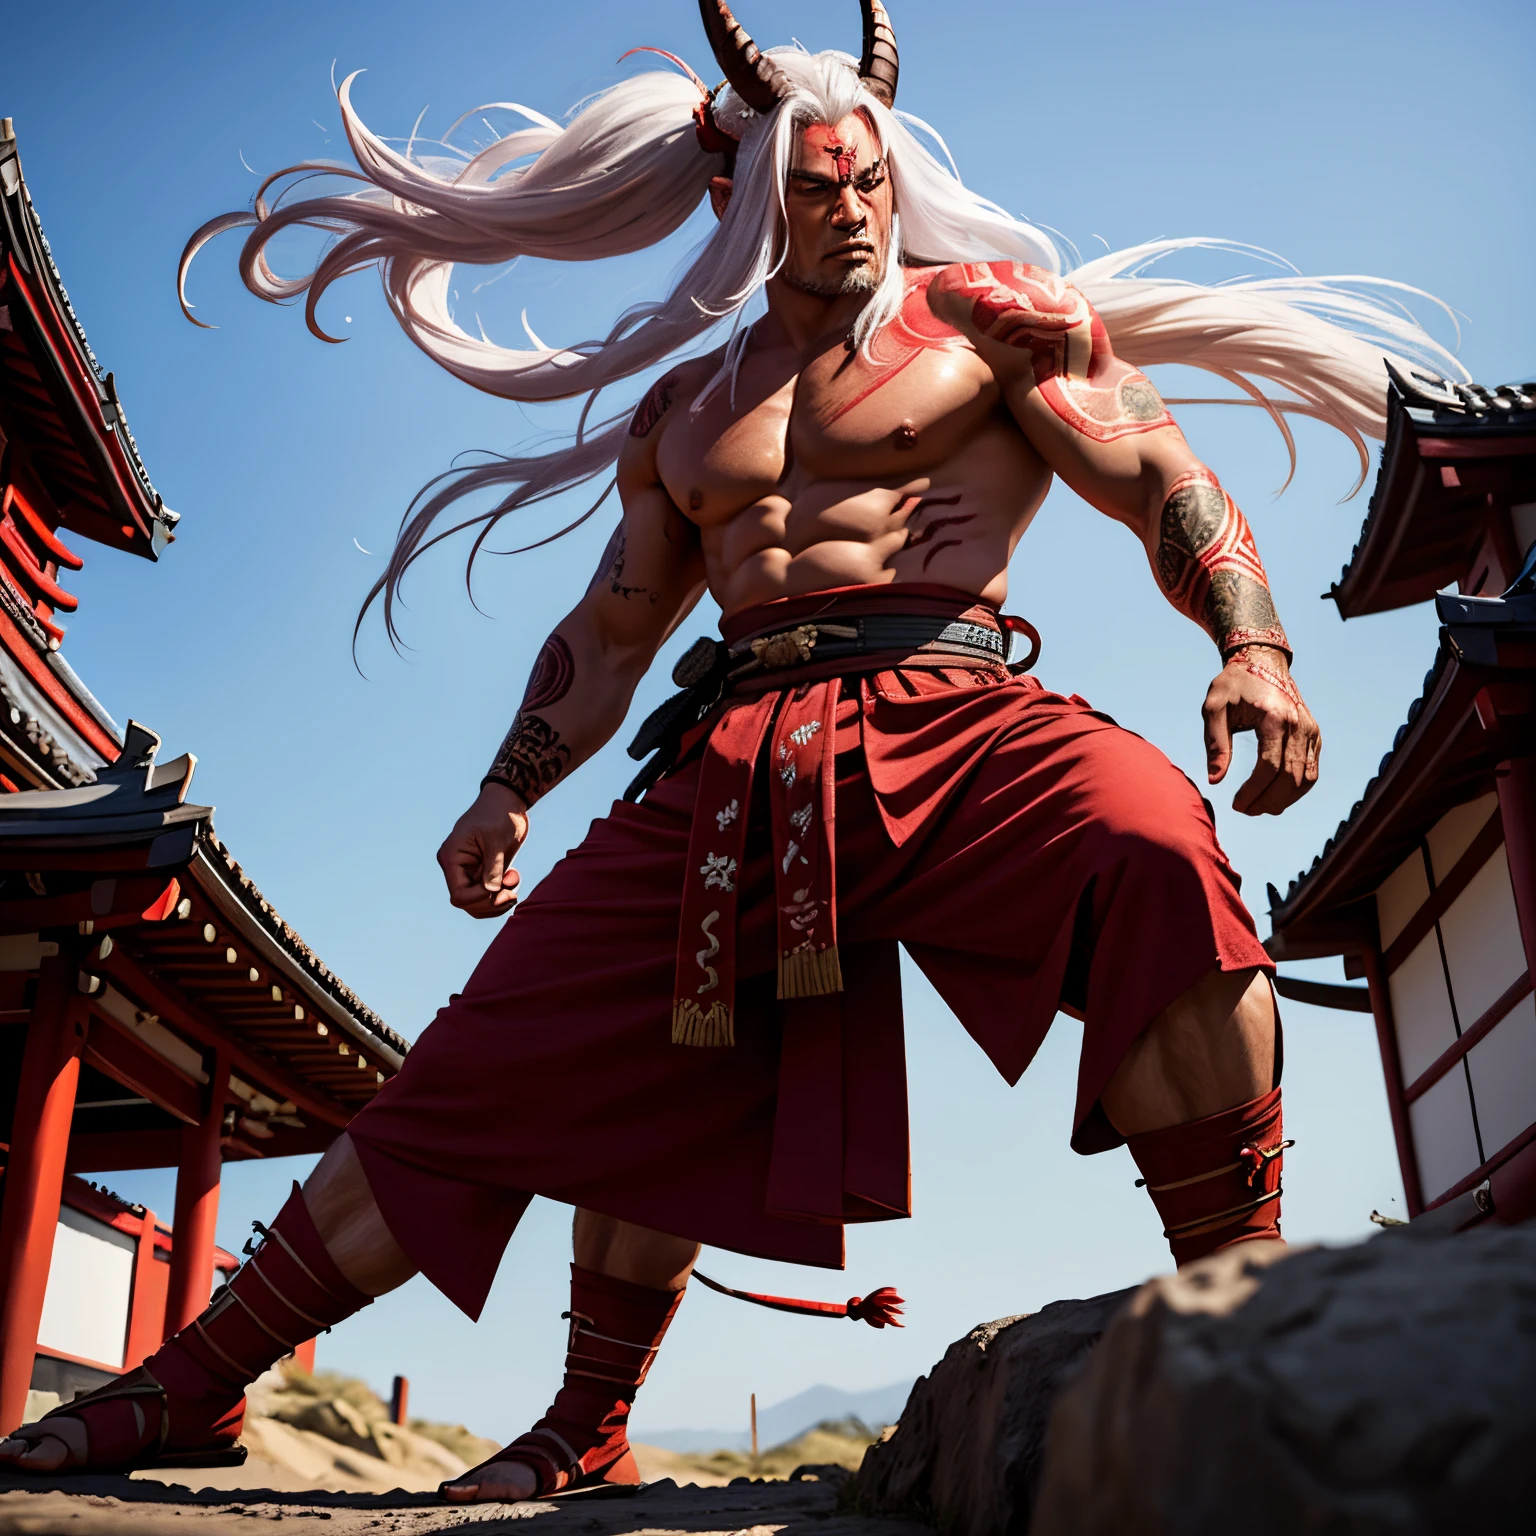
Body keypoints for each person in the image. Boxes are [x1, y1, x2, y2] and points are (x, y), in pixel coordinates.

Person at [1, 0, 1464, 1503]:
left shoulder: (994, 320)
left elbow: (1159, 467)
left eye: (869, 180)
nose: (852, 210)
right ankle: (278, 1394)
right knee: (494, 1057)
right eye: (817, 187)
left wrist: (1255, 646)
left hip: (958, 709)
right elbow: (616, 628)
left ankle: (1256, 1315)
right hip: (733, 755)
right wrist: (507, 788)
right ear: (743, 197)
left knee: (1154, 844)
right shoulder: (687, 409)